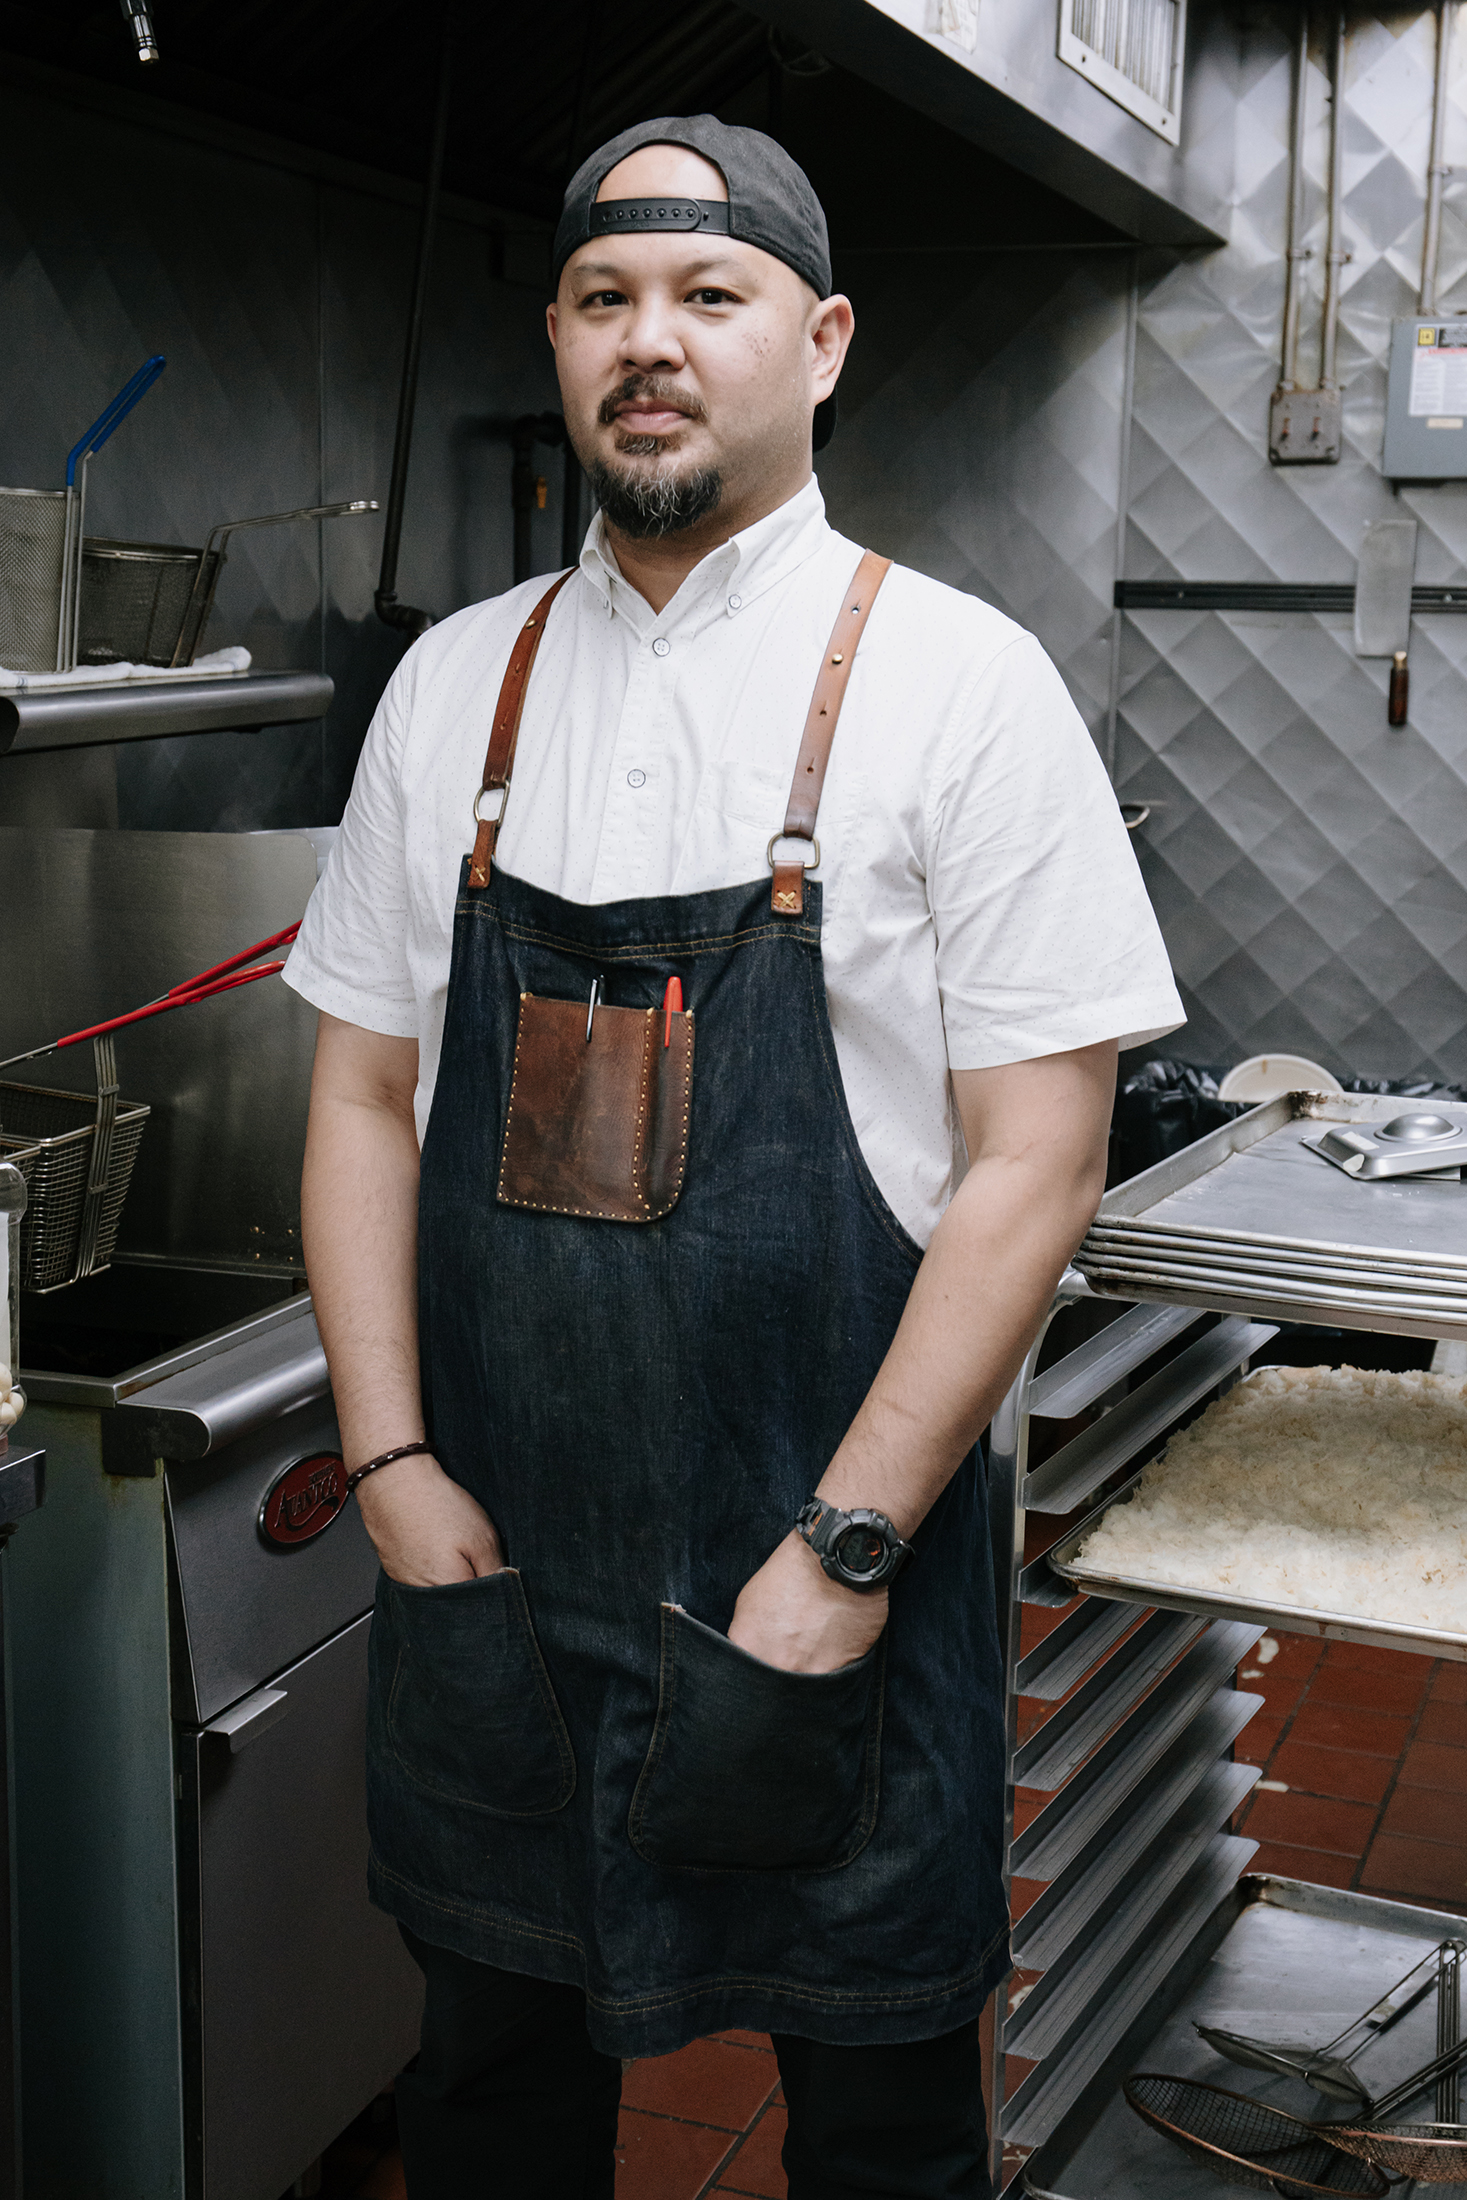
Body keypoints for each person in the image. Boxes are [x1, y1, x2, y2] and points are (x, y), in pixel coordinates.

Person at [286, 113, 1182, 2200]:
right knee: (487, 2089)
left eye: (708, 294)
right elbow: (352, 1096)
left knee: (873, 2112)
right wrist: (396, 1466)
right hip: (496, 1570)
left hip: (823, 1567)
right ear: (560, 339)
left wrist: (847, 1546)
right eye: (604, 298)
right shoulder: (450, 691)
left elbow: (1033, 1160)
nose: (648, 342)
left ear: (824, 339)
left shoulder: (962, 683)